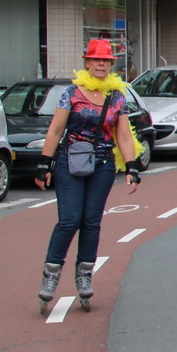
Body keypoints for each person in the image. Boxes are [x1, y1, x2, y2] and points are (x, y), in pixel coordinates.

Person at [34, 39, 141, 315]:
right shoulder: (71, 93)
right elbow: (55, 130)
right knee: (69, 220)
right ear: (88, 63)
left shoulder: (117, 96)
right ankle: (51, 275)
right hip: (69, 160)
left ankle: (84, 276)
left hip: (102, 164)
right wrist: (44, 165)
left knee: (92, 222)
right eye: (96, 60)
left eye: (106, 60)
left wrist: (132, 168)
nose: (101, 64)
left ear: (111, 65)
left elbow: (123, 135)